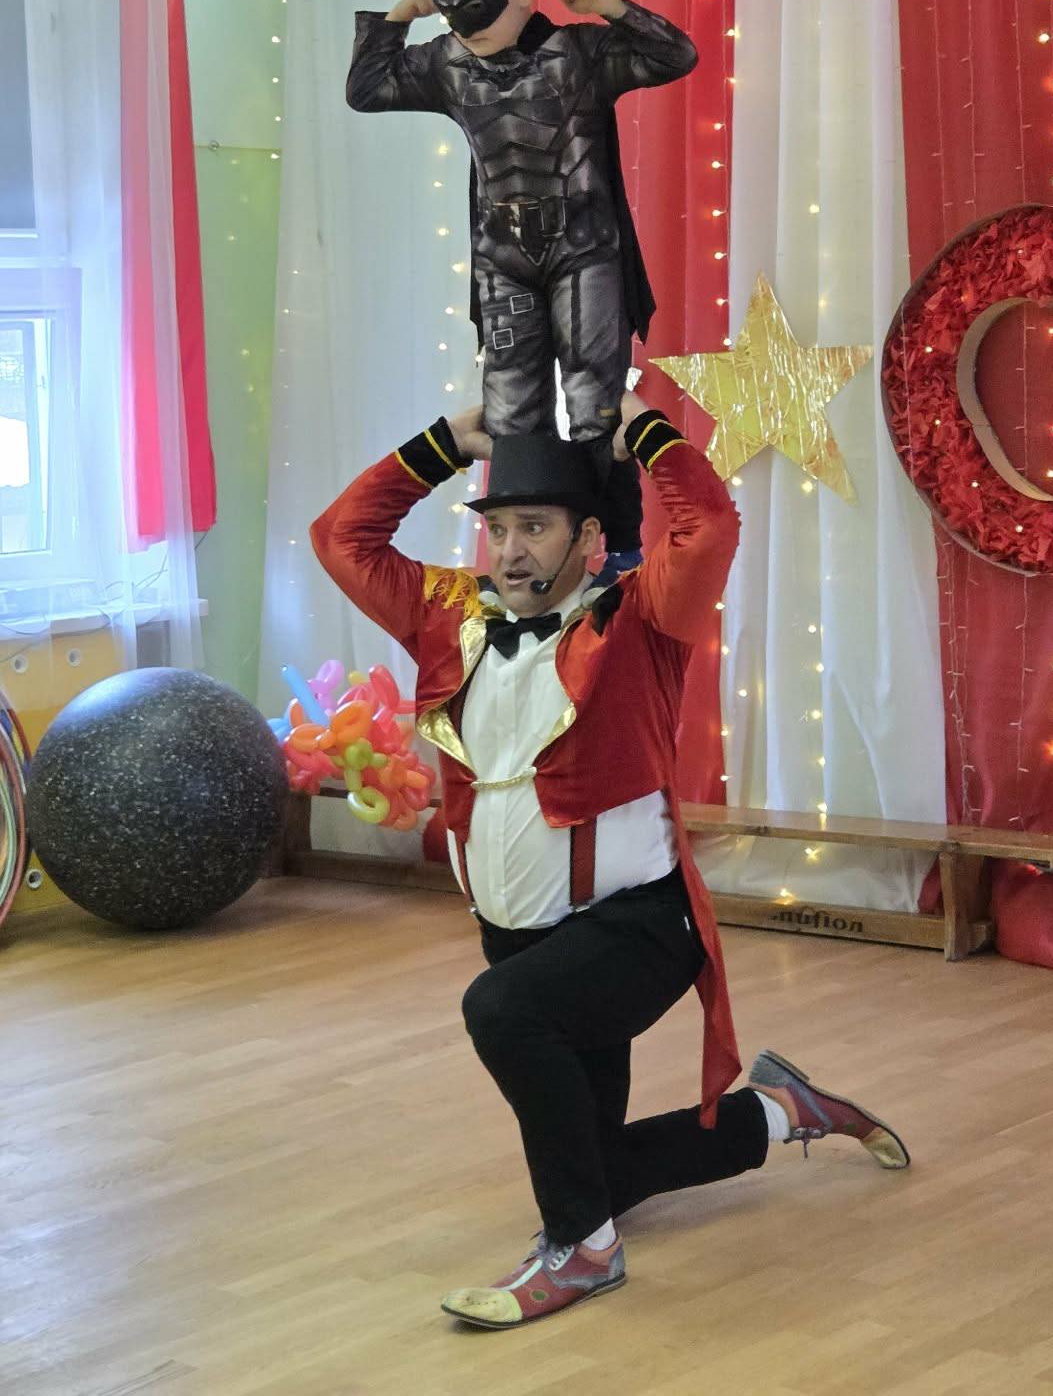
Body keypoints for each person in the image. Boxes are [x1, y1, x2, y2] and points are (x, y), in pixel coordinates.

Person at [310, 390, 910, 1331]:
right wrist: (443, 444)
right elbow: (343, 537)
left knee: (502, 1014)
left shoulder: (637, 620)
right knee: (594, 1165)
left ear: (589, 538)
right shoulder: (447, 615)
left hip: (636, 928)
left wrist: (648, 433)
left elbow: (709, 527)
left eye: (535, 527)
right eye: (498, 528)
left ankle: (584, 1255)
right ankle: (781, 1111)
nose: (510, 550)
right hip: (517, 931)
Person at [346, 0, 692, 580]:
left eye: (475, 6)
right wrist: (399, 18)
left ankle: (619, 553)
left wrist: (609, 6)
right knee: (511, 411)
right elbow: (366, 89)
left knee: (596, 405)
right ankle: (528, 565)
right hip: (502, 262)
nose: (462, 25)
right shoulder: (446, 63)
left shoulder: (579, 55)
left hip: (585, 254)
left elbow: (676, 54)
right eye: (449, 9)